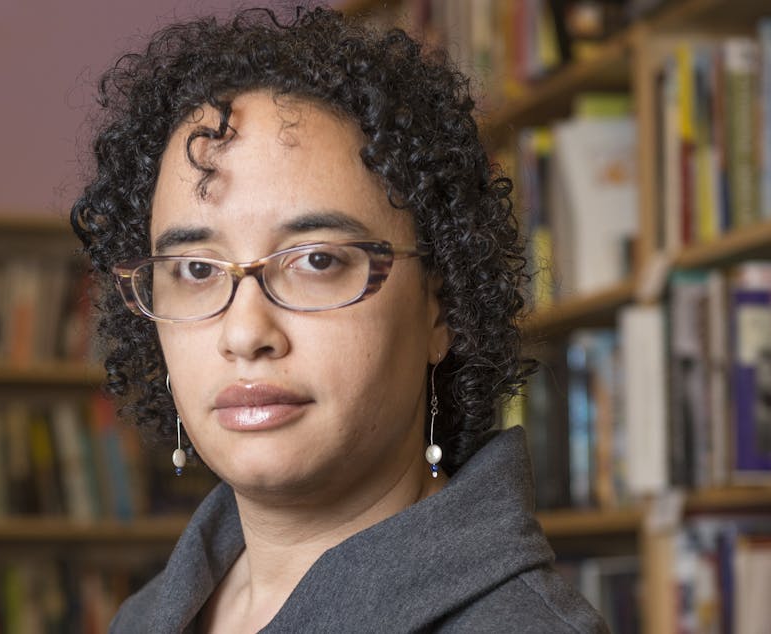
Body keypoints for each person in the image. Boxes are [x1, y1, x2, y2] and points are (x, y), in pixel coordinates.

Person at [71, 6, 609, 633]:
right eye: (194, 270)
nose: (245, 334)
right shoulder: (140, 619)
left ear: (443, 305)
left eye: (317, 259)